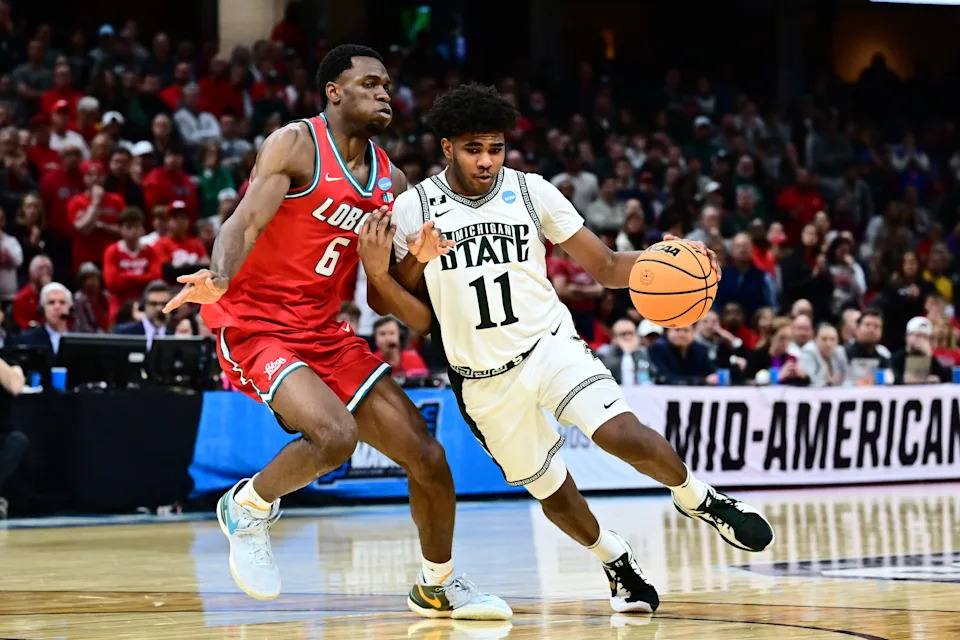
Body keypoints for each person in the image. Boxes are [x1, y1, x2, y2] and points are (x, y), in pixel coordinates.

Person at [363, 83, 773, 615]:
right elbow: (384, 295)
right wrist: (417, 259)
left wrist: (671, 260)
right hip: (480, 377)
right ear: (447, 147)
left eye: (496, 147)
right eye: (473, 149)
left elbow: (603, 267)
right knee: (552, 491)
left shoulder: (532, 192)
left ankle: (701, 498)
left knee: (618, 431)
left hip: (548, 344)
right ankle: (614, 558)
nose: (487, 160)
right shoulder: (413, 206)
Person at [163, 45, 506, 618]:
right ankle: (247, 507)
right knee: (335, 436)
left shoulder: (391, 181)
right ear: (334, 91)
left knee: (428, 456)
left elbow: (380, 289)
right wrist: (219, 277)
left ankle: (437, 584)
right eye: (368, 83)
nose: (382, 93)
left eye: (387, 85)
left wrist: (415, 259)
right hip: (256, 324)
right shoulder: (295, 144)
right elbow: (243, 221)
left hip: (324, 330)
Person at [103, 208, 159, 321]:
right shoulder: (112, 251)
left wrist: (125, 275)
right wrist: (141, 278)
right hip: (119, 302)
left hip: (144, 300)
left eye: (137, 227)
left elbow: (155, 278)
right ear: (120, 229)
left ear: (143, 229)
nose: (133, 231)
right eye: (129, 227)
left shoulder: (150, 251)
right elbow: (112, 283)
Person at [713, 233, 775, 322]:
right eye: (738, 246)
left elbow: (771, 306)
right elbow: (713, 305)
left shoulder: (764, 277)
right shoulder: (719, 276)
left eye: (746, 245)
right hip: (723, 326)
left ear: (752, 249)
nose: (742, 249)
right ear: (731, 250)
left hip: (755, 328)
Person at [13, 281, 71, 357]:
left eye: (62, 302)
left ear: (69, 308)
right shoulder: (26, 340)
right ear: (42, 309)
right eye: (51, 302)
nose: (57, 307)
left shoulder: (78, 341)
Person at [744, 316, 808, 385]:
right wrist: (778, 377)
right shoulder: (757, 356)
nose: (786, 343)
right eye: (782, 338)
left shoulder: (789, 359)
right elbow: (746, 381)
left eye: (789, 338)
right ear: (771, 337)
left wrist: (803, 376)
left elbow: (800, 385)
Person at [648, 326, 718, 385]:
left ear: (694, 333)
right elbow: (664, 377)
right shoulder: (658, 349)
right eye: (677, 330)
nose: (681, 334)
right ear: (668, 332)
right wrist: (703, 380)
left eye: (686, 330)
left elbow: (712, 373)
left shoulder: (701, 350)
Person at [890, 317, 951, 384]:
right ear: (907, 336)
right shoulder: (896, 359)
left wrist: (929, 356)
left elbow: (946, 377)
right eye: (918, 335)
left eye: (925, 337)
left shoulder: (931, 359)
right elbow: (892, 379)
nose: (921, 340)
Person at [113, 279, 170, 347]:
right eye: (154, 304)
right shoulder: (123, 333)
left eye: (164, 304)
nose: (159, 309)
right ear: (143, 306)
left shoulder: (175, 336)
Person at [597, 318, 652, 385]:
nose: (627, 337)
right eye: (623, 334)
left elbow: (651, 373)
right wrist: (626, 353)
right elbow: (607, 373)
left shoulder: (643, 352)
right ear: (614, 337)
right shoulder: (605, 352)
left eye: (630, 333)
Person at [372, 316, 428, 380]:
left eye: (392, 333)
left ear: (400, 336)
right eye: (382, 334)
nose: (388, 338)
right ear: (375, 339)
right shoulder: (371, 363)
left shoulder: (414, 358)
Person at [844, 309, 891, 385]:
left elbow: (889, 382)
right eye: (867, 325)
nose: (871, 329)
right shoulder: (843, 354)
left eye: (876, 326)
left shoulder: (883, 360)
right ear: (857, 328)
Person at [12, 253, 52, 329]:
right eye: (41, 268)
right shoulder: (22, 298)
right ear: (31, 272)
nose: (45, 272)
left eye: (48, 268)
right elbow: (20, 324)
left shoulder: (57, 296)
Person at [72, 261, 110, 333]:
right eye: (89, 279)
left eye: (95, 279)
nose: (93, 282)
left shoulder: (105, 297)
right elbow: (82, 326)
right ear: (82, 282)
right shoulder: (79, 299)